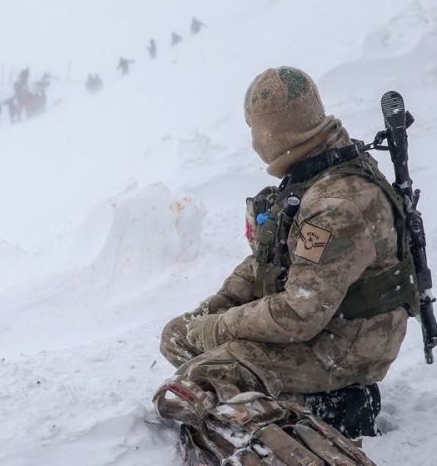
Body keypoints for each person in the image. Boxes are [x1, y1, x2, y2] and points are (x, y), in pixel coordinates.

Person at [154, 67, 417, 464]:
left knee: (199, 381)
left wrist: (219, 327)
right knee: (178, 337)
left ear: (272, 134)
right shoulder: (311, 172)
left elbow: (299, 312)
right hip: (325, 323)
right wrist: (218, 304)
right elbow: (269, 258)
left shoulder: (337, 204)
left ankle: (330, 412)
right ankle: (283, 399)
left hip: (346, 345)